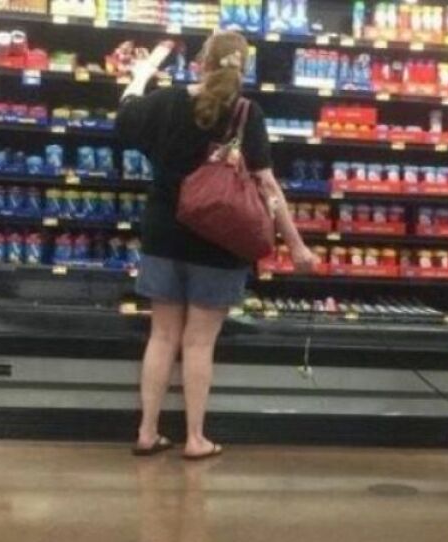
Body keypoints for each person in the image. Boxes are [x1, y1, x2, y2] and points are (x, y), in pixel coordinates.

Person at [116, 31, 316, 460]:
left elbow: (126, 114)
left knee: (162, 336)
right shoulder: (246, 112)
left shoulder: (166, 100)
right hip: (220, 241)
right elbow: (267, 186)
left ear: (200, 61)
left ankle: (147, 432)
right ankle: (194, 438)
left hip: (164, 234)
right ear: (242, 67)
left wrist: (142, 74)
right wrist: (296, 244)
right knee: (198, 343)